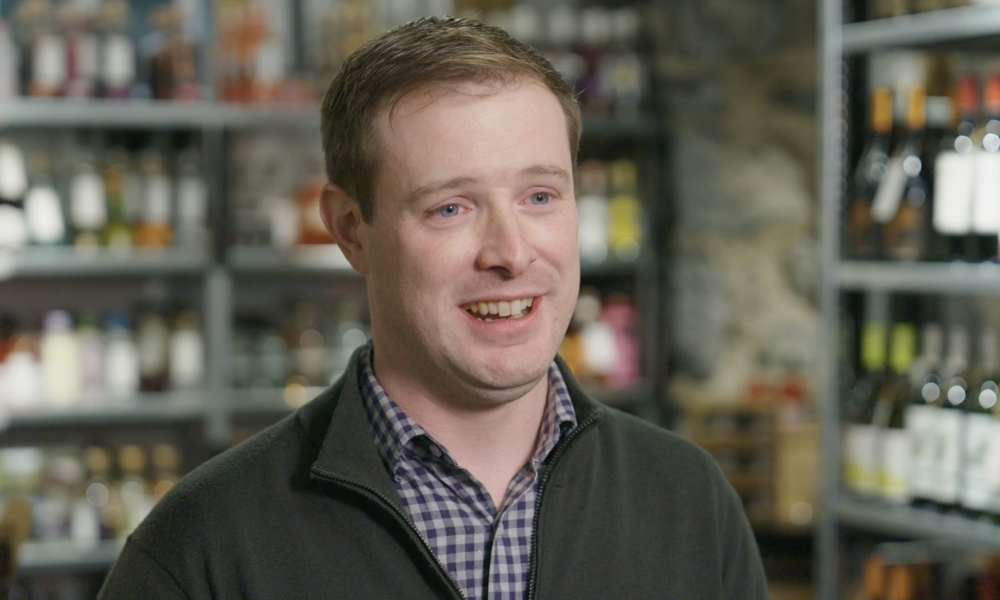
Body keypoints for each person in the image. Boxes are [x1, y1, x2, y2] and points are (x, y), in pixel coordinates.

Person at [99, 16, 767, 600]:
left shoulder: (688, 501)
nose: (511, 253)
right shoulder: (203, 546)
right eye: (451, 207)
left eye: (539, 197)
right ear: (351, 230)